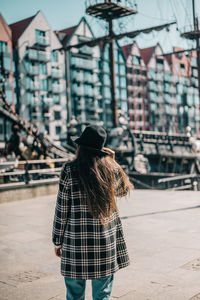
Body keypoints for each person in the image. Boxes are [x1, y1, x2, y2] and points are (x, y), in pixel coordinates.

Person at [52, 125, 133, 300]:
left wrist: (57, 241)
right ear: (101, 149)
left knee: (74, 295)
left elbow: (62, 208)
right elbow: (123, 191)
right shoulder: (109, 169)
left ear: (80, 147)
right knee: (102, 295)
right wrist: (113, 162)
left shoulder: (69, 170)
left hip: (75, 245)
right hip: (104, 244)